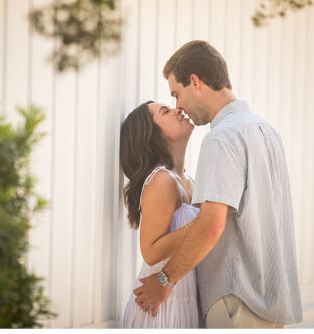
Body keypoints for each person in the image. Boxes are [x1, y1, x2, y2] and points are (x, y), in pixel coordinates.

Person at [133, 39, 303, 328]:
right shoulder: (267, 132)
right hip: (271, 304)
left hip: (236, 302)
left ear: (195, 82)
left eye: (177, 94)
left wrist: (164, 281)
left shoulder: (221, 138)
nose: (179, 106)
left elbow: (211, 225)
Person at [120, 99, 203, 327]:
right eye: (165, 111)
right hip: (160, 309)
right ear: (152, 137)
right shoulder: (161, 180)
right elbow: (151, 251)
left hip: (184, 299)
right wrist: (201, 224)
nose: (179, 109)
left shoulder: (189, 181)